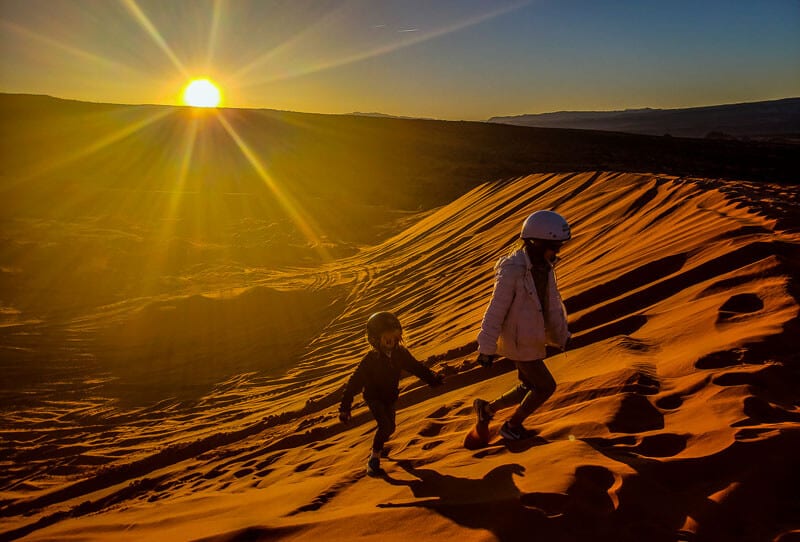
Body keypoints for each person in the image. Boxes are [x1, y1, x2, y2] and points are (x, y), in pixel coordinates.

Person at [473, 210, 572, 441]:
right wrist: (486, 349)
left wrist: (562, 335)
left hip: (531, 338)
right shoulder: (513, 271)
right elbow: (495, 309)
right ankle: (511, 426)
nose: (557, 252)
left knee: (528, 385)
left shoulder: (544, 268)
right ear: (536, 243)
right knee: (545, 386)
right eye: (554, 246)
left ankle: (487, 409)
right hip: (519, 342)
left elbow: (552, 307)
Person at [339, 311, 444, 476]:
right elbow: (354, 383)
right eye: (387, 338)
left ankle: (379, 447)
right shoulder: (370, 360)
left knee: (390, 428)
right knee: (385, 425)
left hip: (390, 397)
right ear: (374, 339)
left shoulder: (400, 354)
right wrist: (345, 407)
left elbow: (416, 367)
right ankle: (374, 459)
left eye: (395, 337)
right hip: (374, 397)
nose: (392, 341)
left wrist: (433, 379)